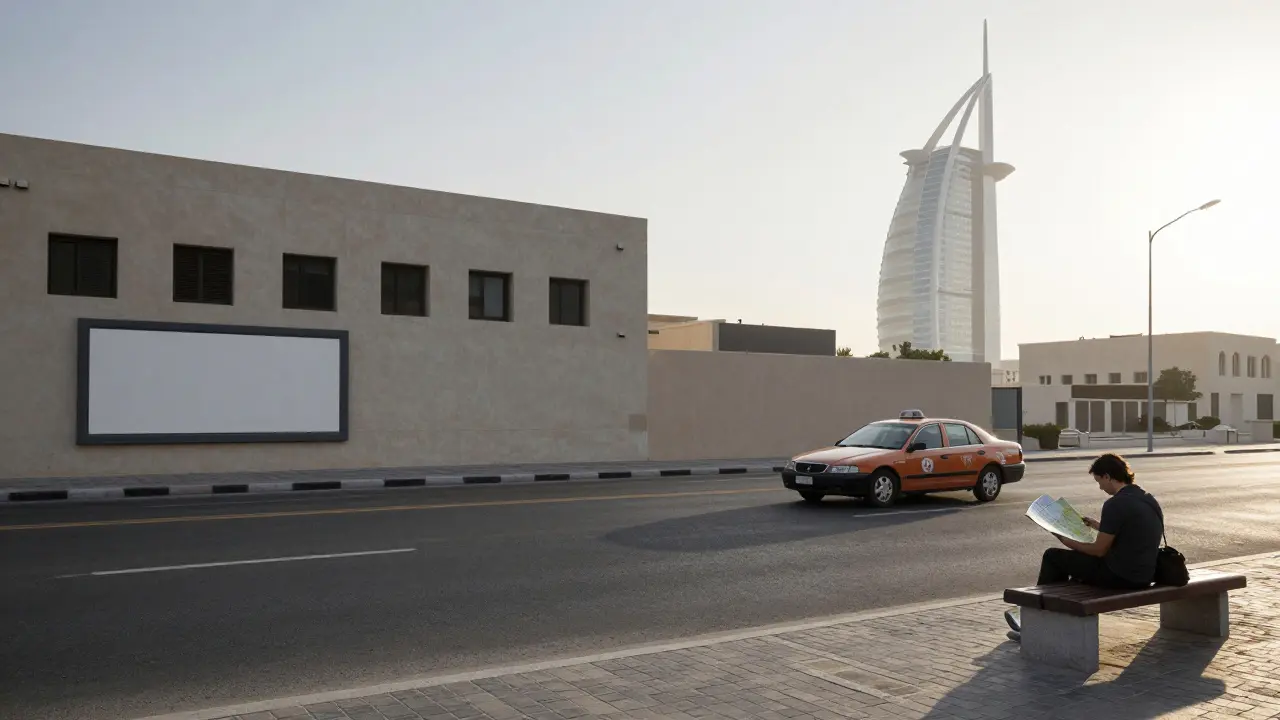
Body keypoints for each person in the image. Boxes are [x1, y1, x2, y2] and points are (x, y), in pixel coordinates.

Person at [1005, 453, 1164, 642]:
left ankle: (1035, 627)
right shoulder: (1147, 498)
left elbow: (1099, 550)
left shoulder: (1116, 504)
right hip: (1144, 575)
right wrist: (1097, 525)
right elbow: (1130, 532)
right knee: (1074, 568)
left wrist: (1064, 538)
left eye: (1099, 481)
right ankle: (1042, 621)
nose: (1100, 487)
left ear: (1107, 476)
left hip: (1121, 577)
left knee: (1053, 557)